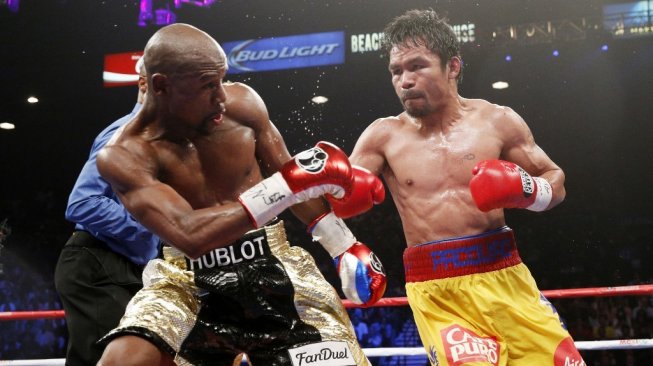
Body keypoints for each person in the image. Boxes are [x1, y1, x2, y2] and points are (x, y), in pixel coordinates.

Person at [95, 23, 386, 366]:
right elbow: (189, 233)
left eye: (222, 79)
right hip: (188, 281)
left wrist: (343, 246)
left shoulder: (243, 105)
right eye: (208, 85)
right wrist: (286, 186)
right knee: (122, 360)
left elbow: (287, 172)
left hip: (272, 263)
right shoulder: (124, 156)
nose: (221, 95)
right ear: (161, 86)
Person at [333, 9, 586, 366]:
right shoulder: (382, 136)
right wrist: (341, 243)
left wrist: (528, 189)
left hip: (507, 277)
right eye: (396, 71)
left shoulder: (497, 121)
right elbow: (341, 198)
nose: (404, 80)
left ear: (452, 66)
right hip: (439, 291)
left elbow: (555, 181)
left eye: (417, 66)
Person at [54, 59, 161, 365]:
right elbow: (82, 202)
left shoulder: (163, 141)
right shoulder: (127, 134)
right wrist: (144, 228)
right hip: (98, 264)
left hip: (124, 265)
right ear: (145, 85)